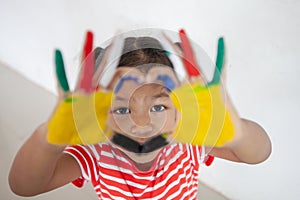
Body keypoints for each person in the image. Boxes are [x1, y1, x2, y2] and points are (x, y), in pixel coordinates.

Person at [8, 33, 272, 199]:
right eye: (121, 109)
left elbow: (257, 153)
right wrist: (48, 140)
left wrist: (236, 131)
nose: (141, 124)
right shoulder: (97, 153)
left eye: (158, 107)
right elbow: (25, 186)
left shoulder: (189, 142)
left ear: (181, 107)